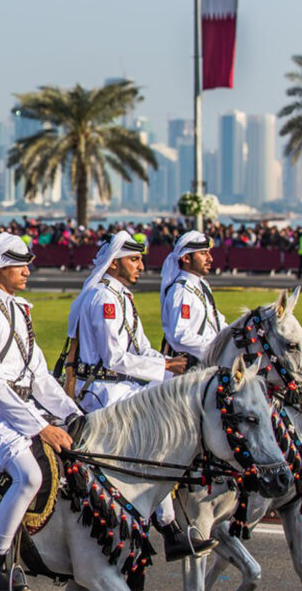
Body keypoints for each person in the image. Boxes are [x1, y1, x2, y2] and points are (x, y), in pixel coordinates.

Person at [67, 231, 215, 561]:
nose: (141, 266)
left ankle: (169, 521)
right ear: (115, 262)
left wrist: (167, 365)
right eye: (134, 260)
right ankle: (167, 526)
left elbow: (142, 345)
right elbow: (115, 357)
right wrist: (162, 364)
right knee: (156, 439)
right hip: (105, 389)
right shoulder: (104, 298)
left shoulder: (122, 296)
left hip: (128, 384)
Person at [0, 233, 80, 591]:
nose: (27, 271)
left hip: (20, 407)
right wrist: (42, 428)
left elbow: (39, 376)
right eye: (19, 266)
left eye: (27, 265)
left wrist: (73, 413)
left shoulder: (17, 308)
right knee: (29, 476)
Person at [160, 231, 225, 365]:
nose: (210, 258)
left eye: (208, 252)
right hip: (188, 366)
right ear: (186, 258)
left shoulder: (201, 285)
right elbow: (180, 334)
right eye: (203, 253)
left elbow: (215, 321)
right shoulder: (181, 290)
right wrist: (215, 347)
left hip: (207, 360)